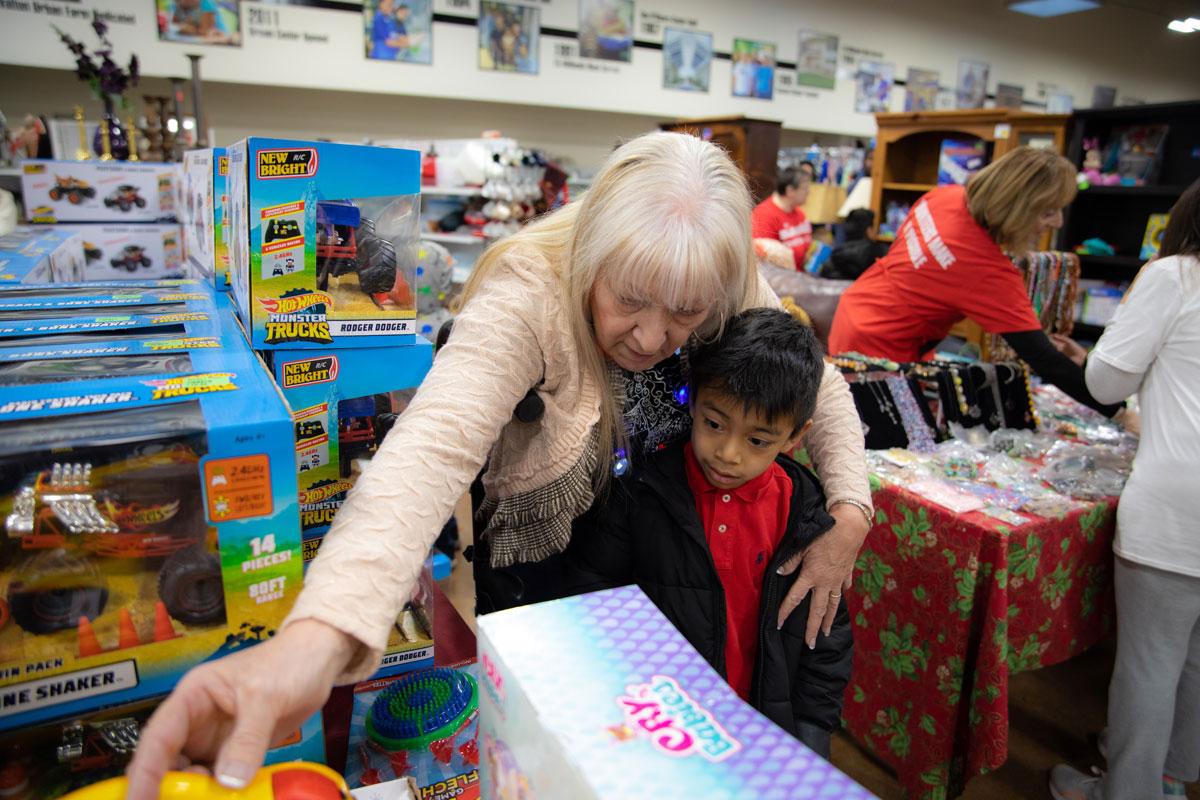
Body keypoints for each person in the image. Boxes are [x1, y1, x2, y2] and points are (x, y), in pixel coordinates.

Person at [125, 132, 873, 798]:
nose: (651, 337)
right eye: (631, 301)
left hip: (658, 554)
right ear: (593, 254)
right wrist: (312, 640)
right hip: (546, 576)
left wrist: (849, 512)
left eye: (686, 315)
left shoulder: (714, 268)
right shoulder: (527, 293)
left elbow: (823, 385)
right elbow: (427, 453)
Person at [565, 308, 852, 758]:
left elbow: (824, 643)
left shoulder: (804, 516)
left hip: (762, 733)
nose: (728, 454)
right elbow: (594, 594)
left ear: (796, 435)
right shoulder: (642, 493)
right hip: (659, 728)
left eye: (758, 440)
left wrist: (812, 732)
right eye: (714, 424)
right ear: (694, 401)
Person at [1049, 179, 1200, 800]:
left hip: (1176, 505)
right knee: (1194, 664)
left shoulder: (1174, 276)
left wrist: (1097, 346)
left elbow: (1107, 383)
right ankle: (1168, 778)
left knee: (1150, 663)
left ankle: (1127, 792)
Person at [828, 146, 1126, 418]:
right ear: (1017, 207)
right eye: (1048, 212)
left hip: (858, 311)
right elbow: (1044, 358)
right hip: (880, 348)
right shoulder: (988, 272)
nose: (1058, 222)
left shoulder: (945, 196)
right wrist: (1120, 413)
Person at [752, 165, 813, 269]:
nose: (808, 192)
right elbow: (763, 263)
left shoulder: (799, 213)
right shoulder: (764, 216)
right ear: (790, 191)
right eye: (804, 188)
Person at [822, 208, 889, 281]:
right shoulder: (882, 254)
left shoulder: (832, 256)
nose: (877, 231)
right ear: (869, 230)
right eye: (875, 227)